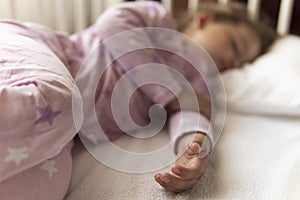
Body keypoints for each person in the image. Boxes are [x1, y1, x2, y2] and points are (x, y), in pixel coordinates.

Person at [0, 0, 276, 198]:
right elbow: (114, 25)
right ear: (204, 20)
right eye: (235, 45)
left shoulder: (197, 86)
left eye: (242, 62)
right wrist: (173, 93)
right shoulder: (156, 20)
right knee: (55, 101)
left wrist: (193, 148)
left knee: (48, 183)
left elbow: (192, 116)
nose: (234, 61)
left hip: (64, 131)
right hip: (41, 53)